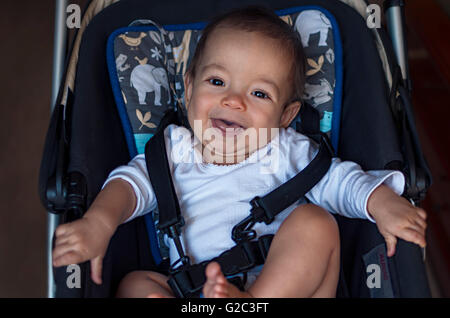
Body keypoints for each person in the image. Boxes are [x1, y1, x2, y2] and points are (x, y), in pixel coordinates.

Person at [52, 6, 427, 298]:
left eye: (259, 93)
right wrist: (99, 221)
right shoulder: (175, 150)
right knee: (136, 285)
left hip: (281, 288)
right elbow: (129, 185)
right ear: (188, 89)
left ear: (286, 116)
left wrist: (383, 203)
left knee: (315, 225)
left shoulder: (286, 151)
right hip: (196, 288)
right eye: (217, 81)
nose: (232, 100)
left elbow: (344, 183)